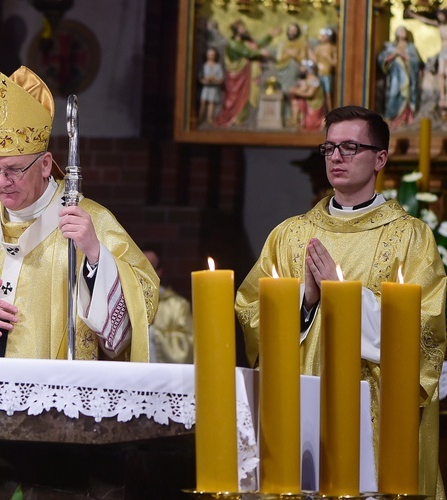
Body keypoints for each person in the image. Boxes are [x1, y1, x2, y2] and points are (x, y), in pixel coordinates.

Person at [0, 65, 159, 497]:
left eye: (13, 170)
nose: (2, 183)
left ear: (47, 162)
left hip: (61, 420)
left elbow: (141, 299)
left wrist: (93, 254)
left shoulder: (89, 220)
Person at [235, 105, 446, 499]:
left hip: (375, 417)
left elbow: (425, 331)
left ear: (380, 158)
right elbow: (250, 312)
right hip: (299, 407)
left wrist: (343, 295)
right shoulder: (289, 235)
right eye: (329, 147)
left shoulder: (411, 238)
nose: (336, 157)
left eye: (350, 147)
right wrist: (306, 300)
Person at [142, 247, 192, 363]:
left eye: (149, 269)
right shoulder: (124, 301)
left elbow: (186, 346)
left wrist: (152, 331)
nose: (144, 275)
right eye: (140, 268)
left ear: (159, 271)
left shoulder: (178, 305)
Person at [377, 25, 421, 129]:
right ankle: (391, 118)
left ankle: (404, 119)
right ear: (396, 33)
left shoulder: (410, 47)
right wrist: (394, 54)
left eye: (404, 31)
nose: (402, 33)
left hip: (407, 77)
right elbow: (382, 59)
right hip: (395, 77)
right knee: (393, 94)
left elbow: (416, 61)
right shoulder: (392, 46)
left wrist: (406, 57)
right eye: (400, 31)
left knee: (405, 96)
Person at [288, 59, 327, 131]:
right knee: (296, 100)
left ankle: (319, 122)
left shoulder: (315, 80)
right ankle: (296, 119)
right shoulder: (307, 80)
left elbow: (310, 94)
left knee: (310, 124)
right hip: (308, 104)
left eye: (302, 67)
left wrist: (296, 92)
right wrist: (294, 90)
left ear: (307, 70)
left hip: (314, 105)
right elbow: (302, 90)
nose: (300, 69)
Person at [198, 47, 225, 126]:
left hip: (214, 87)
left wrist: (216, 80)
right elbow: (200, 76)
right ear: (206, 55)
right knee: (202, 102)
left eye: (212, 55)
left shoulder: (217, 66)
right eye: (209, 55)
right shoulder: (203, 65)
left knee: (211, 103)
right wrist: (203, 80)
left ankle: (209, 118)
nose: (211, 56)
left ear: (215, 56)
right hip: (206, 87)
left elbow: (221, 77)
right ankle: (200, 117)